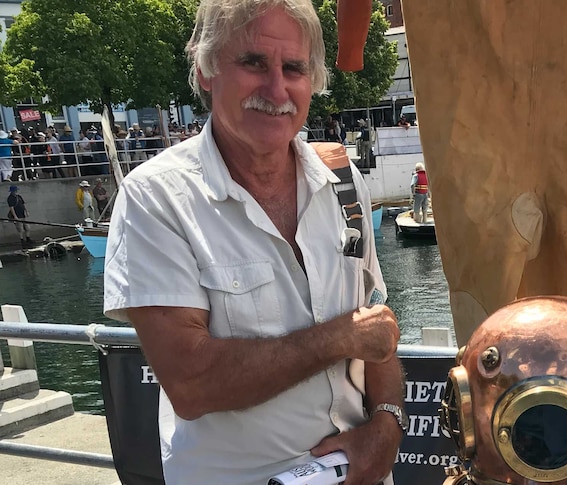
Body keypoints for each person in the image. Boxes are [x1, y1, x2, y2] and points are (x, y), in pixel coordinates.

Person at [102, 2, 403, 485]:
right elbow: (192, 383)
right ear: (205, 70)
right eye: (254, 63)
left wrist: (387, 427)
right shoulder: (156, 198)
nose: (277, 89)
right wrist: (337, 338)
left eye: (294, 68)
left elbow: (377, 328)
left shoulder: (342, 183)